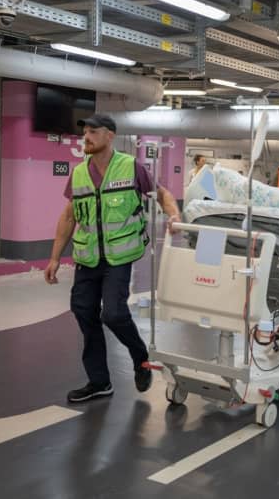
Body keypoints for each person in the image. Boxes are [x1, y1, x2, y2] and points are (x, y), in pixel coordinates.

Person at [44, 114, 181, 403]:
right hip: (87, 257)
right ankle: (99, 381)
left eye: (93, 132)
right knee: (84, 312)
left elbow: (163, 194)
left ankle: (140, 357)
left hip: (119, 256)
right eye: (85, 133)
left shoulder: (131, 167)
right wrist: (54, 257)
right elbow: (69, 216)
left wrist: (174, 215)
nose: (87, 137)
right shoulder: (80, 172)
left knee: (114, 313)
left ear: (110, 136)